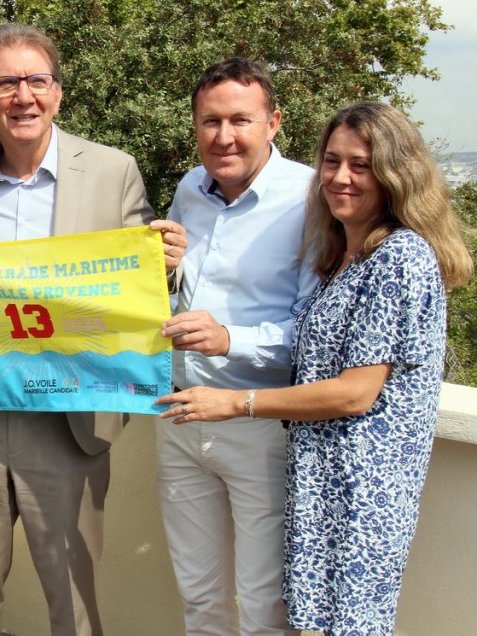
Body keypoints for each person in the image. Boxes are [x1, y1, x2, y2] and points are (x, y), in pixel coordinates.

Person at [158, 102, 472, 635]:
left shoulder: (401, 258)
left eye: (362, 165)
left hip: (364, 489)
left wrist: (235, 401)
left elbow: (355, 394)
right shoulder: (346, 253)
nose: (340, 177)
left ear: (397, 174)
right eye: (331, 161)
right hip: (322, 477)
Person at [0, 23, 186, 636]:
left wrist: (167, 265)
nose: (24, 96)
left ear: (58, 92)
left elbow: (138, 288)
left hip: (70, 422)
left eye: (36, 80)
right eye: (6, 82)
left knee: (72, 606)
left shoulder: (112, 171)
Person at [156, 57, 317, 635]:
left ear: (273, 122)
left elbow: (320, 332)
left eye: (240, 120)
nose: (224, 136)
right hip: (179, 413)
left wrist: (231, 340)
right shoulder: (188, 189)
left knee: (263, 600)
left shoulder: (312, 197)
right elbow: (177, 293)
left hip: (259, 421)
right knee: (197, 594)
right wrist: (162, 270)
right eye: (209, 122)